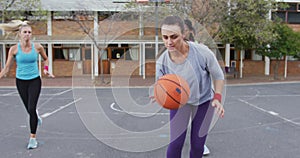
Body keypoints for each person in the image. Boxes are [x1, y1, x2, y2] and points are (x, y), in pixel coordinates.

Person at [155, 16, 225, 158]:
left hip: (204, 102)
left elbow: (218, 76)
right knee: (175, 144)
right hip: (180, 103)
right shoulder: (162, 62)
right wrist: (160, 95)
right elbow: (161, 85)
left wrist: (217, 97)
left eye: (174, 37)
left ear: (184, 34)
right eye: (165, 37)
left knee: (198, 145)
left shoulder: (202, 52)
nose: (169, 42)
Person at [0, 20, 55, 149]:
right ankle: (36, 117)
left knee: (31, 108)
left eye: (29, 32)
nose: (27, 34)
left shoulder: (37, 47)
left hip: (35, 80)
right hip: (20, 82)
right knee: (30, 110)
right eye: (25, 32)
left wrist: (46, 70)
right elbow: (7, 68)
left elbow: (46, 59)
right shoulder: (14, 49)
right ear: (20, 34)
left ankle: (32, 139)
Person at [184, 18, 210, 156]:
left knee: (198, 124)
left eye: (185, 29)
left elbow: (212, 71)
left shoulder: (200, 49)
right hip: (181, 95)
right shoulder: (172, 50)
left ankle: (200, 144)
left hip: (201, 94)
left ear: (191, 31)